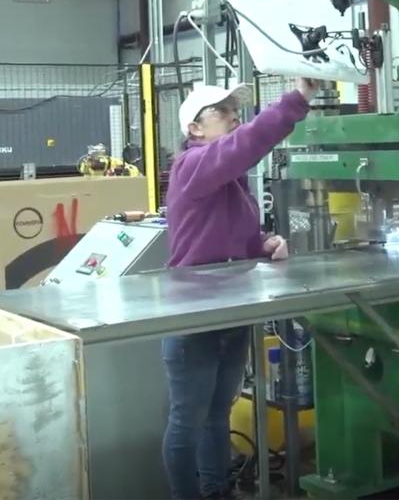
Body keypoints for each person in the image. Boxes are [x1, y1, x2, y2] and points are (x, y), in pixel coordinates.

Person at [161, 77, 318, 500]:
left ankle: (216, 493)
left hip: (229, 310)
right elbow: (246, 144)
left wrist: (265, 244)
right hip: (194, 316)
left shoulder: (231, 181)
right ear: (194, 128)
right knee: (187, 421)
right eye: (224, 112)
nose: (234, 118)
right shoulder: (193, 166)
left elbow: (240, 238)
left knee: (216, 414)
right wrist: (297, 99)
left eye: (235, 110)